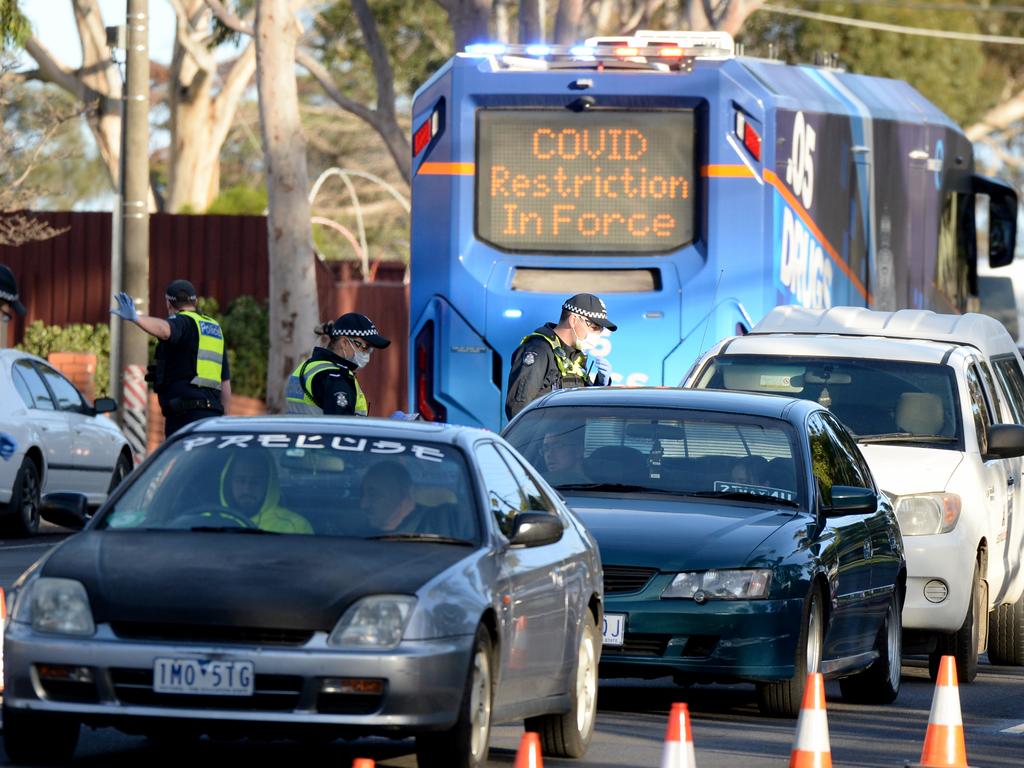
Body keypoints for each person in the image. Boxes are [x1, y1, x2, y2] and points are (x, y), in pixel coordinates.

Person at [111, 280, 231, 438]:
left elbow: (165, 330)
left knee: (182, 462)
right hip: (211, 417)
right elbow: (225, 384)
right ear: (195, 301)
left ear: (168, 303)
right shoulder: (214, 328)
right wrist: (225, 420)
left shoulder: (183, 321)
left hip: (186, 417)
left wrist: (136, 318)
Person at [505, 293, 617, 420]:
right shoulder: (539, 350)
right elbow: (518, 408)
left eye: (601, 330)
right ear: (573, 320)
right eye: (594, 327)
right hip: (544, 439)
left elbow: (584, 406)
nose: (598, 334)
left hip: (569, 438)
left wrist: (601, 384)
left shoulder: (575, 356)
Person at [285, 312, 390, 416]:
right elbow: (343, 428)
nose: (367, 353)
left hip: (300, 432)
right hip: (320, 433)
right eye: (365, 347)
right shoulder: (335, 379)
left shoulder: (307, 367)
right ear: (344, 343)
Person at [219, 450, 312, 534]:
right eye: (241, 480)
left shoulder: (296, 526)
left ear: (268, 484)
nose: (247, 489)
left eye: (255, 482)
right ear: (229, 483)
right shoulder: (209, 520)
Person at [357, 461, 433, 535]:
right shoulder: (358, 536)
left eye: (373, 495)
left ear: (403, 494)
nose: (363, 505)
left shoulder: (434, 526)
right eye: (362, 494)